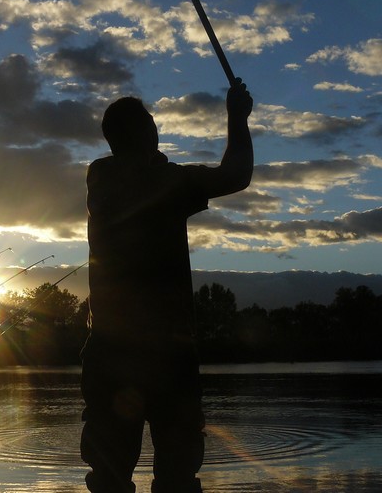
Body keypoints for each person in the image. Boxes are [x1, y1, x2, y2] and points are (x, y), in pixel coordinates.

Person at [80, 79, 254, 493]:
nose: (159, 132)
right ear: (147, 133)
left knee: (109, 477)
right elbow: (236, 174)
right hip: (168, 356)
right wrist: (237, 117)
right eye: (153, 126)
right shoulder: (166, 181)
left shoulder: (99, 177)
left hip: (108, 354)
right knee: (177, 476)